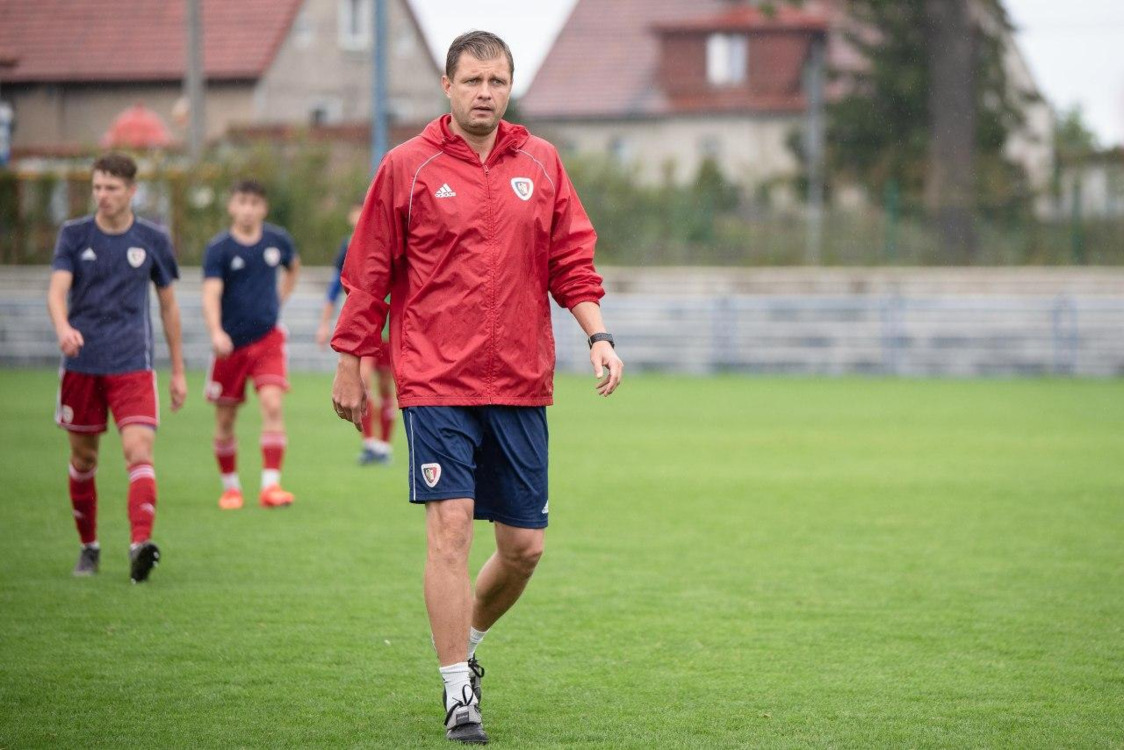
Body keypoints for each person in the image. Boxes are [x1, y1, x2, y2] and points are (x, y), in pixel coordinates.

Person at [330, 31, 623, 745]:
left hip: (520, 380)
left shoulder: (542, 162)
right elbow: (369, 269)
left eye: (497, 81)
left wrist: (599, 336)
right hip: (435, 379)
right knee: (452, 526)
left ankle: (468, 645)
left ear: (510, 86)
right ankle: (457, 689)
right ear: (448, 86)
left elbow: (571, 262)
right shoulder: (407, 166)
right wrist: (351, 358)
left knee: (524, 548)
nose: (485, 93)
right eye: (473, 81)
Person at [47, 152, 187, 583]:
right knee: (83, 457)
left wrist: (178, 370)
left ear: (131, 191)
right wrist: (63, 328)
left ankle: (139, 546)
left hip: (132, 364)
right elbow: (56, 291)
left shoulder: (152, 239)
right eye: (97, 187)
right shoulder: (74, 235)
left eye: (111, 188)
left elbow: (168, 306)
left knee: (138, 450)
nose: (102, 195)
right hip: (82, 365)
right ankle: (89, 547)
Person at [202, 180, 301, 510]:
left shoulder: (277, 241)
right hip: (230, 345)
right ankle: (231, 488)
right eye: (242, 202)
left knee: (272, 405)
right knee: (225, 419)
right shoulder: (219, 248)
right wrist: (216, 331)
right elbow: (211, 293)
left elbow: (293, 266)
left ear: (263, 208)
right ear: (232, 206)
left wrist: (280, 298)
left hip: (268, 338)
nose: (247, 209)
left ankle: (271, 486)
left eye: (254, 203)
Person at [316, 201, 396, 465]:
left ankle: (385, 446)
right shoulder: (348, 245)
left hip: (390, 326)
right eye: (356, 210)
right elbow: (334, 287)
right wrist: (324, 324)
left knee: (387, 387)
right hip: (367, 327)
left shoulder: (391, 236)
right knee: (364, 381)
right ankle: (369, 443)